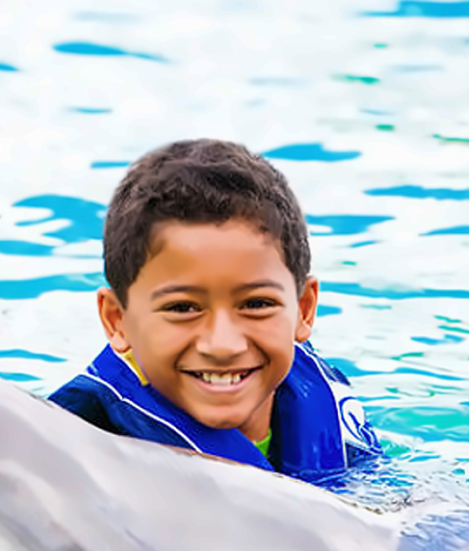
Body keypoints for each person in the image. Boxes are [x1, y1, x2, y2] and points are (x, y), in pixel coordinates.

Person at [49, 139, 381, 484]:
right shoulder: (81, 449)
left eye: (256, 304)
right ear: (118, 321)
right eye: (182, 308)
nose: (223, 345)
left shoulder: (321, 402)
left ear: (303, 310)